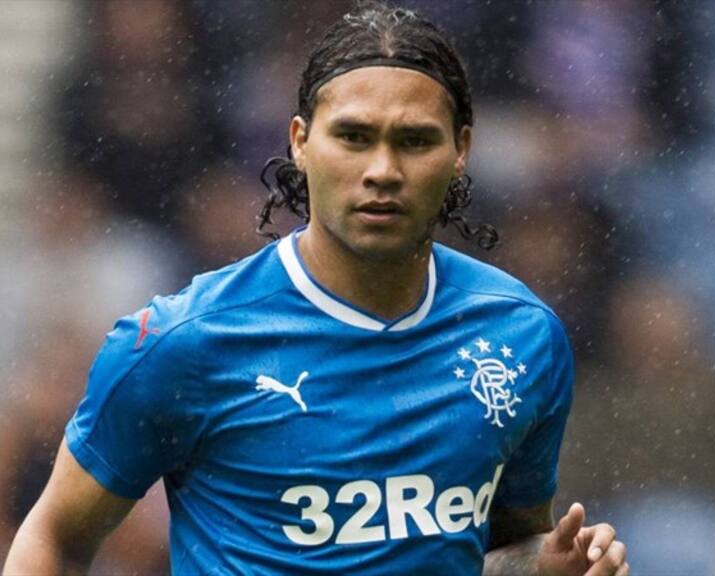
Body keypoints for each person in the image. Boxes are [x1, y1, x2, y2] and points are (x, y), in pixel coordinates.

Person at [4, 3, 629, 575]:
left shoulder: (521, 336)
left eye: (414, 140)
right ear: (301, 142)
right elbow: (55, 537)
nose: (382, 171)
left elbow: (491, 556)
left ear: (460, 150)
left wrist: (547, 566)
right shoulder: (183, 342)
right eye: (354, 137)